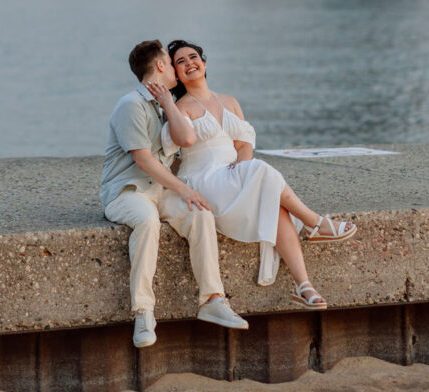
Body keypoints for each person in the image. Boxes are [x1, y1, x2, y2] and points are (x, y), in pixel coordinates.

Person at [146, 39, 357, 311]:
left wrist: (241, 167)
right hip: (203, 181)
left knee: (275, 202)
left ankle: (304, 286)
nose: (189, 63)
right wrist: (168, 103)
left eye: (193, 57)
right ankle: (315, 223)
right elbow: (181, 140)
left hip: (233, 175)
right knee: (263, 173)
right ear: (175, 73)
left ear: (205, 63)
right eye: (181, 62)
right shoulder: (180, 107)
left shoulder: (229, 101)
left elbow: (244, 144)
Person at [100, 39, 249, 349]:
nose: (177, 68)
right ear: (160, 66)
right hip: (126, 191)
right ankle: (143, 311)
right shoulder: (131, 104)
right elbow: (143, 160)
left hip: (159, 189)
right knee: (148, 221)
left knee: (200, 213)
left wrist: (169, 103)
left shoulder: (161, 103)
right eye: (171, 61)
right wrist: (184, 188)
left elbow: (188, 138)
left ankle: (212, 298)